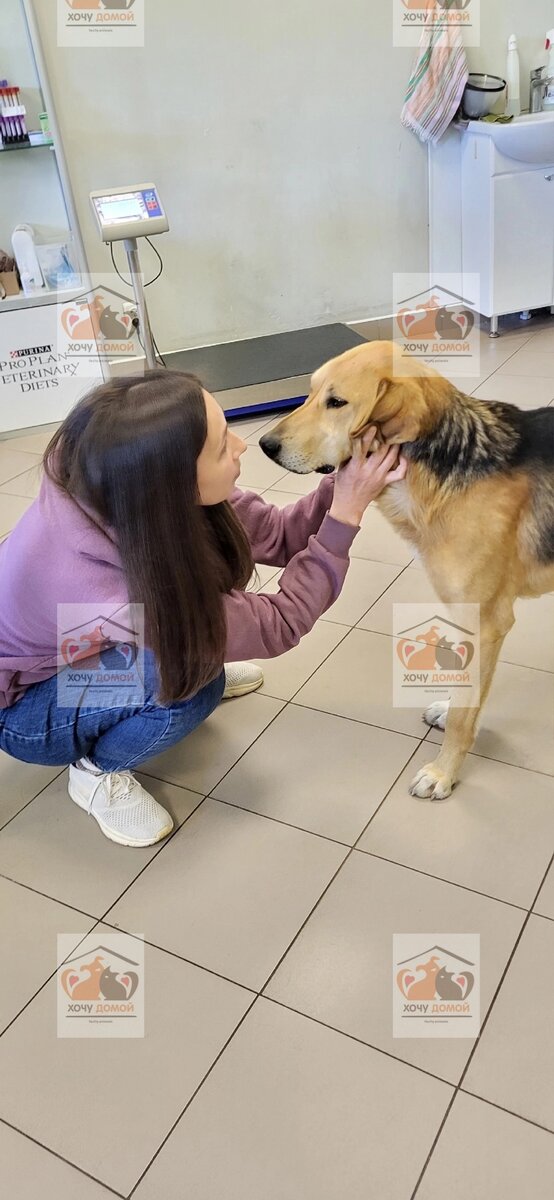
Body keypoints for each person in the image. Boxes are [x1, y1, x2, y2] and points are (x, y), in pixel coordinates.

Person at [0, 371, 406, 848]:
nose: (241, 445)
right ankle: (94, 773)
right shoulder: (116, 586)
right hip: (24, 708)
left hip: (73, 641)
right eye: (219, 447)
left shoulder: (135, 484)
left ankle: (184, 661)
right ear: (174, 479)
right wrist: (346, 513)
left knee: (191, 653)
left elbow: (277, 533)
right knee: (190, 686)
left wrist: (342, 479)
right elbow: (279, 624)